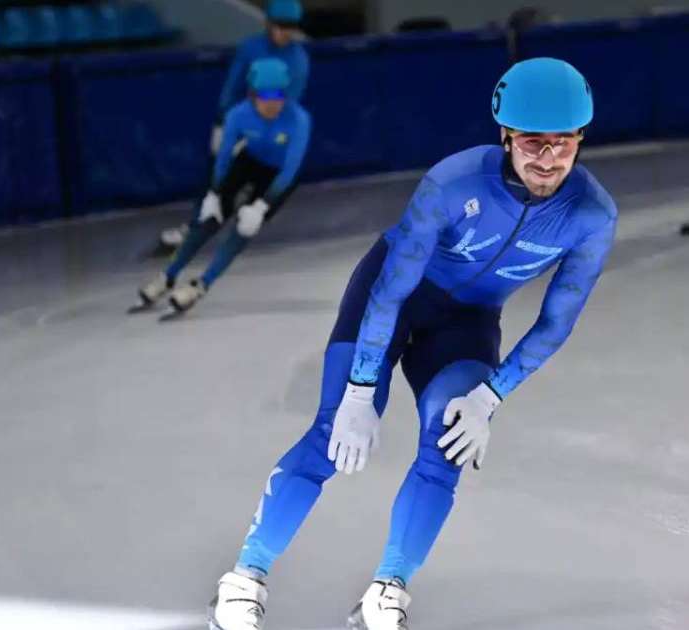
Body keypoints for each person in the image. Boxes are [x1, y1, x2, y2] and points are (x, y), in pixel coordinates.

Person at [207, 58, 617, 630]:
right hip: (392, 301)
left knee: (448, 440)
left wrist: (490, 397)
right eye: (531, 143)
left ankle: (388, 588)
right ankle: (245, 576)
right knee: (333, 434)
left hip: (467, 322)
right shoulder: (453, 183)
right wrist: (358, 391)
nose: (547, 161)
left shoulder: (591, 215)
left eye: (562, 145)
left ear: (580, 139)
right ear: (505, 136)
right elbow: (391, 291)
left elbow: (555, 323)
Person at [138, 57, 311, 313]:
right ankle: (168, 275)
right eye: (265, 95)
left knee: (245, 227)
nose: (273, 102)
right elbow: (222, 160)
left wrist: (263, 207)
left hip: (278, 178)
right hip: (248, 163)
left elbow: (290, 170)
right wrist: (214, 194)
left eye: (279, 95)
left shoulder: (299, 119)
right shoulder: (238, 115)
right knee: (208, 221)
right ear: (252, 95)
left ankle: (202, 284)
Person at [158, 0, 310, 251]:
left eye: (291, 27)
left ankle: (252, 214)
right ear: (268, 24)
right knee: (219, 169)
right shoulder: (250, 48)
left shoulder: (299, 59)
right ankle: (198, 223)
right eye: (280, 26)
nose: (286, 32)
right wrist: (223, 123)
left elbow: (288, 103)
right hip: (241, 120)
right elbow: (232, 87)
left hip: (274, 128)